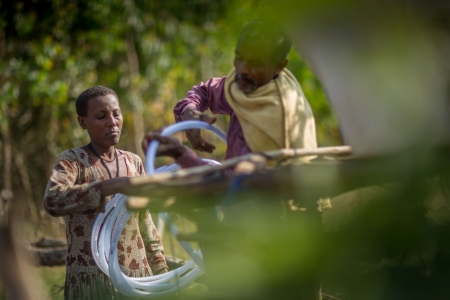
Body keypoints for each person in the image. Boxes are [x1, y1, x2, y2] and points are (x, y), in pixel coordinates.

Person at [44, 86, 168, 300]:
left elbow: (146, 226)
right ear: (82, 122)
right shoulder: (73, 161)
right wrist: (112, 186)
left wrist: (162, 276)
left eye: (116, 113)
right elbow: (53, 200)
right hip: (90, 283)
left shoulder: (133, 162)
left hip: (136, 278)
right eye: (101, 116)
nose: (112, 122)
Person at [173, 19, 317, 162]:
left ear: (279, 66)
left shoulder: (278, 119)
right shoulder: (244, 85)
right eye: (239, 58)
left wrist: (181, 155)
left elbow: (237, 181)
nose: (242, 70)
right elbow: (204, 91)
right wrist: (189, 110)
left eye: (255, 63)